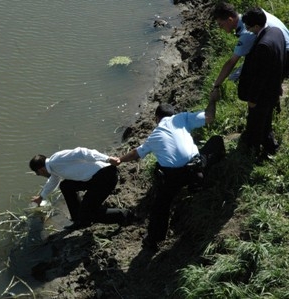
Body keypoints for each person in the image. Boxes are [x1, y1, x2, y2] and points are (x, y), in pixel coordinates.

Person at [113, 100, 225, 251]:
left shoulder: (155, 135)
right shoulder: (182, 118)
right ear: (173, 114)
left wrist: (120, 159)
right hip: (196, 170)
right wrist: (213, 99)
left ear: (156, 119)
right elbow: (209, 116)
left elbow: (136, 153)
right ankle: (200, 182)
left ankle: (153, 240)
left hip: (173, 177)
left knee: (161, 206)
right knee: (216, 141)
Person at [29, 147, 131, 230]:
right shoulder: (53, 168)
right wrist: (41, 197)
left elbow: (82, 152)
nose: (41, 175)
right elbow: (53, 181)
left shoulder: (56, 160)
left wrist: (107, 158)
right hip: (92, 179)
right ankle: (78, 220)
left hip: (105, 177)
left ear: (41, 170)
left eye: (38, 174)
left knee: (88, 213)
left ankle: (125, 215)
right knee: (66, 186)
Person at [210, 2, 289, 102]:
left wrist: (217, 85)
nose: (220, 28)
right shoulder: (254, 15)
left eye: (220, 24)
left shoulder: (247, 33)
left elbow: (232, 62)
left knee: (237, 77)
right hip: (281, 46)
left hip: (284, 57)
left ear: (230, 19)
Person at [237, 8, 286, 158]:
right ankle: (270, 146)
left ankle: (253, 152)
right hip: (273, 87)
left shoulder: (263, 46)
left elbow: (260, 78)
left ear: (256, 26)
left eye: (249, 27)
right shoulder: (276, 31)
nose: (247, 30)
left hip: (263, 94)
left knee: (256, 123)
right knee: (266, 121)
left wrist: (252, 99)